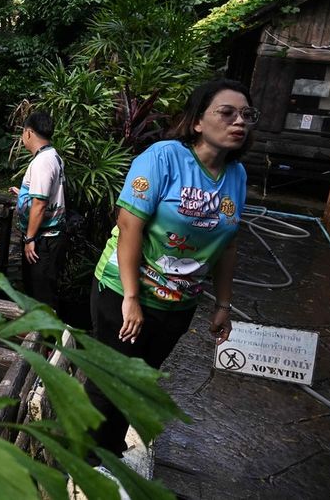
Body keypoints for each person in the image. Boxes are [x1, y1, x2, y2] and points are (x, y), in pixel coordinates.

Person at [85, 79, 253, 461]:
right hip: (124, 291)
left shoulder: (236, 176)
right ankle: (82, 461)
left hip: (179, 303)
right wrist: (131, 298)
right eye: (227, 113)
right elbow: (130, 225)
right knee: (111, 381)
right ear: (197, 121)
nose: (239, 121)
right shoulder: (163, 157)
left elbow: (228, 243)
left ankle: (109, 452)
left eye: (246, 115)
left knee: (139, 382)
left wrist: (223, 304)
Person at [14, 111, 68, 309]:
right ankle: (35, 334)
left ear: (28, 133)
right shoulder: (53, 157)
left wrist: (29, 239)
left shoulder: (42, 162)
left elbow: (40, 203)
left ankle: (43, 337)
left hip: (43, 239)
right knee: (39, 289)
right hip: (47, 236)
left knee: (40, 292)